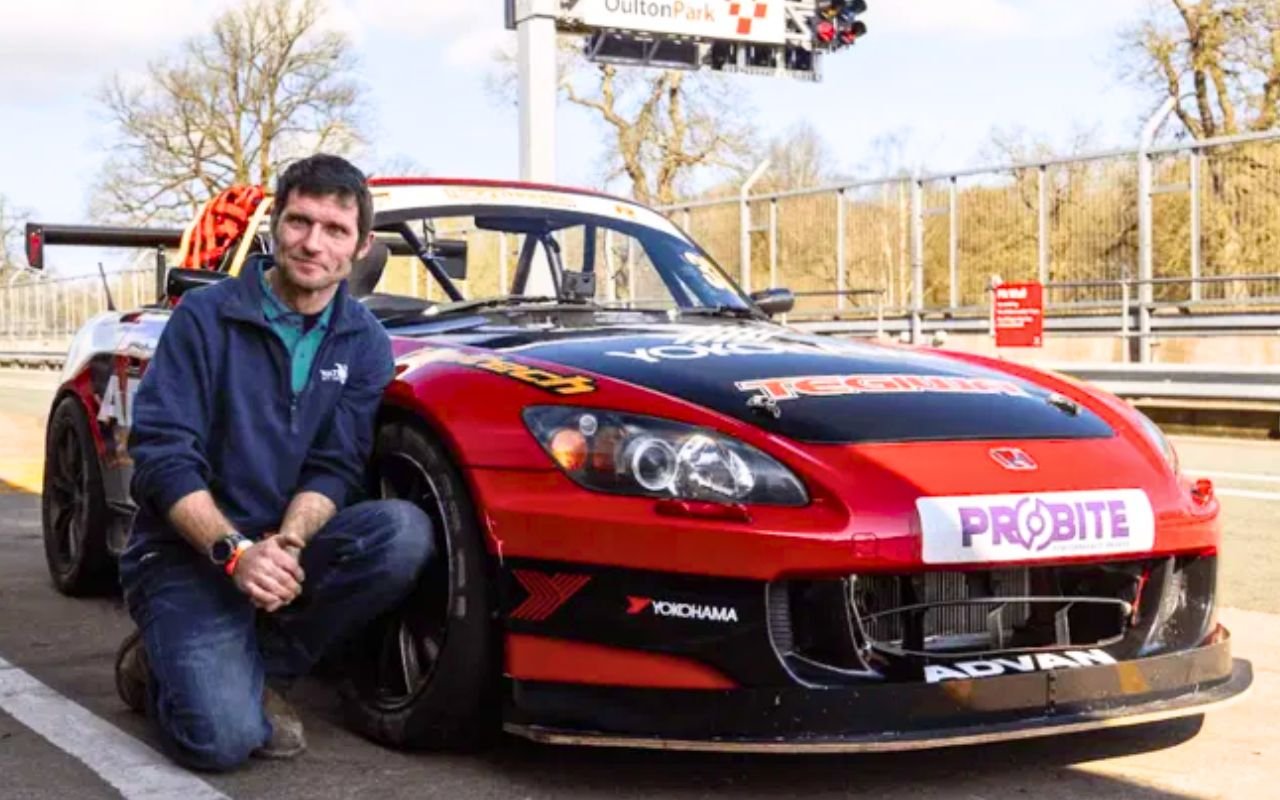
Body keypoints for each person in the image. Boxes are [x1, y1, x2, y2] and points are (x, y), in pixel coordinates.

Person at [113, 154, 432, 772]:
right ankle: (156, 666)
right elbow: (162, 458)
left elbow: (335, 465)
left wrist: (288, 542)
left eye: (335, 230)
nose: (313, 243)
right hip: (187, 552)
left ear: (361, 246)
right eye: (299, 221)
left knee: (400, 533)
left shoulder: (365, 342)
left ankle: (261, 668)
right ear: (275, 226)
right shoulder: (204, 319)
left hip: (279, 546)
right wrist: (234, 553)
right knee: (223, 742)